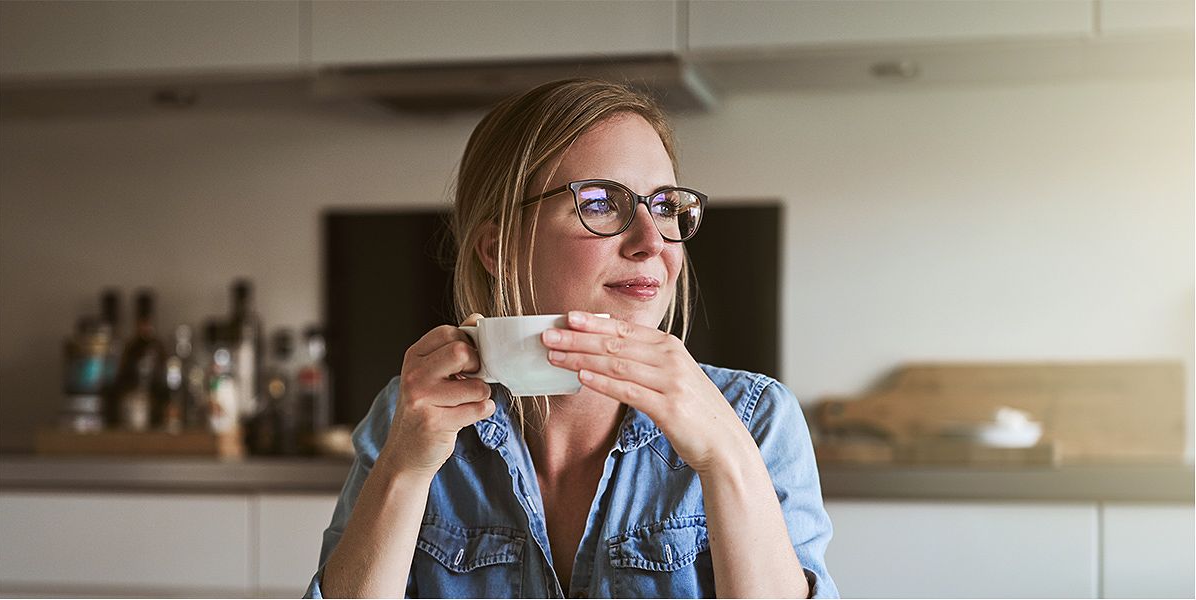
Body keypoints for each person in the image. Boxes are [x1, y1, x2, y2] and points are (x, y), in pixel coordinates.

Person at [305, 78, 839, 599]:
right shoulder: (409, 416)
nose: (652, 241)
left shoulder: (757, 419)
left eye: (666, 206)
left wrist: (726, 456)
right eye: (602, 203)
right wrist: (404, 468)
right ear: (500, 250)